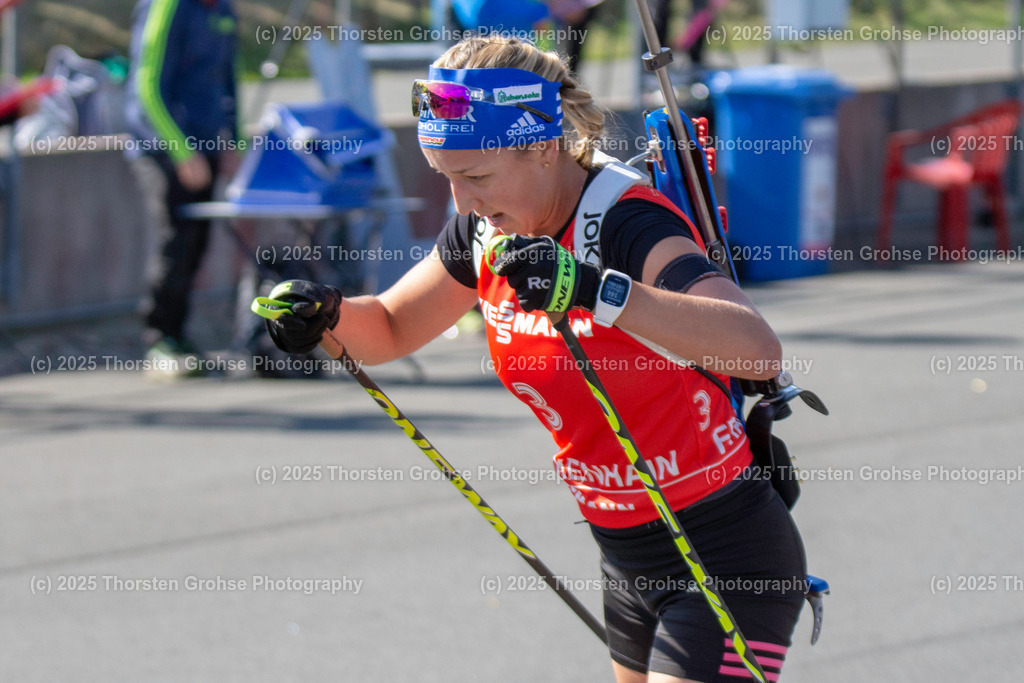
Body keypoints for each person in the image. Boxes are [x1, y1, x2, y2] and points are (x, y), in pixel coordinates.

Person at [262, 35, 806, 682]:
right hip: (624, 555)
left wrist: (594, 289)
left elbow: (755, 349)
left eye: (477, 177)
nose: (463, 204)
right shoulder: (486, 229)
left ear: (544, 147)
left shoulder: (626, 222)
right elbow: (389, 326)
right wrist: (325, 315)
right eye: (445, 178)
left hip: (725, 550)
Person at [125, 0, 239, 369]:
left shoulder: (223, 9)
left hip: (207, 145)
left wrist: (233, 142)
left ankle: (179, 335)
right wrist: (181, 151)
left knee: (198, 243)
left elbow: (228, 78)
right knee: (175, 240)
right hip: (163, 146)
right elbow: (146, 86)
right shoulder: (167, 6)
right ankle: (159, 339)